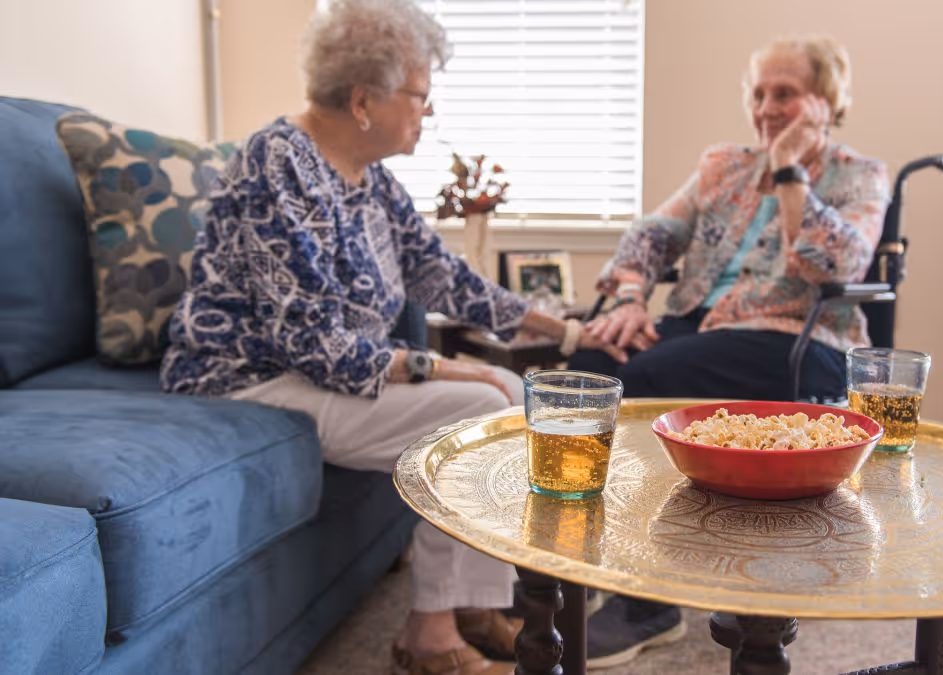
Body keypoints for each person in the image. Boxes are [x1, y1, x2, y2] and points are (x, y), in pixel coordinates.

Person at [159, 2, 624, 674]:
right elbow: (312, 343)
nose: (427, 114)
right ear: (362, 99)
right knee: (479, 405)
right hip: (250, 378)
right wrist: (448, 369)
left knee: (513, 391)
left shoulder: (370, 178)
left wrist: (571, 330)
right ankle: (429, 636)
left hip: (328, 373)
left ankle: (471, 602)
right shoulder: (278, 162)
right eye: (420, 96)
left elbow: (446, 276)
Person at [567, 35, 890, 667]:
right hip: (702, 328)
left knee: (648, 380)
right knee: (592, 371)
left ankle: (650, 605)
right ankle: (598, 567)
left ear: (826, 101)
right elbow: (653, 231)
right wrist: (632, 296)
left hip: (797, 338)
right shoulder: (724, 164)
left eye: (786, 94)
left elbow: (838, 265)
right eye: (759, 93)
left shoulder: (859, 174)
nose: (767, 108)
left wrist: (793, 169)